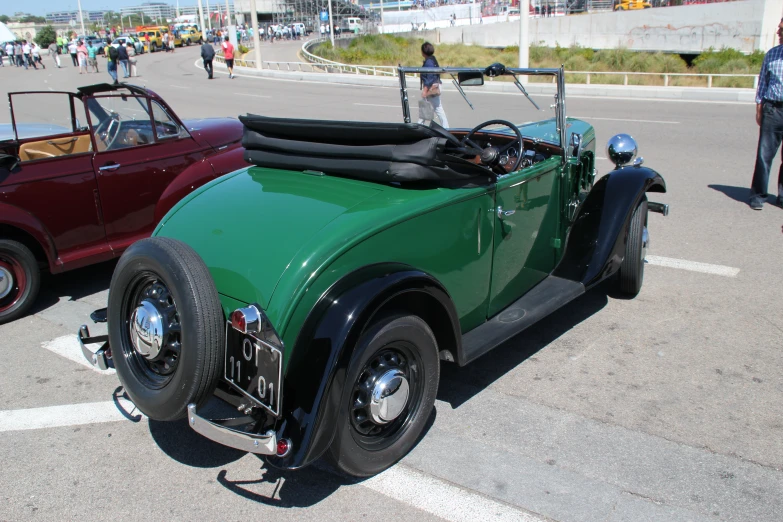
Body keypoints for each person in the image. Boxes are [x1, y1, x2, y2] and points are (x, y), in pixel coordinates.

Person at [750, 18, 783, 210]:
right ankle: (758, 195)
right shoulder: (771, 55)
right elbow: (763, 83)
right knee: (764, 155)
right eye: (778, 29)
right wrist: (759, 108)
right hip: (773, 109)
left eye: (781, 29)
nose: (778, 33)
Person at [418, 42, 449, 128]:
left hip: (432, 88)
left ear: (424, 52)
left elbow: (429, 77)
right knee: (427, 106)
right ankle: (420, 125)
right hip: (435, 86)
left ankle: (446, 128)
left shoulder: (429, 62)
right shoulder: (432, 59)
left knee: (437, 108)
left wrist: (425, 90)